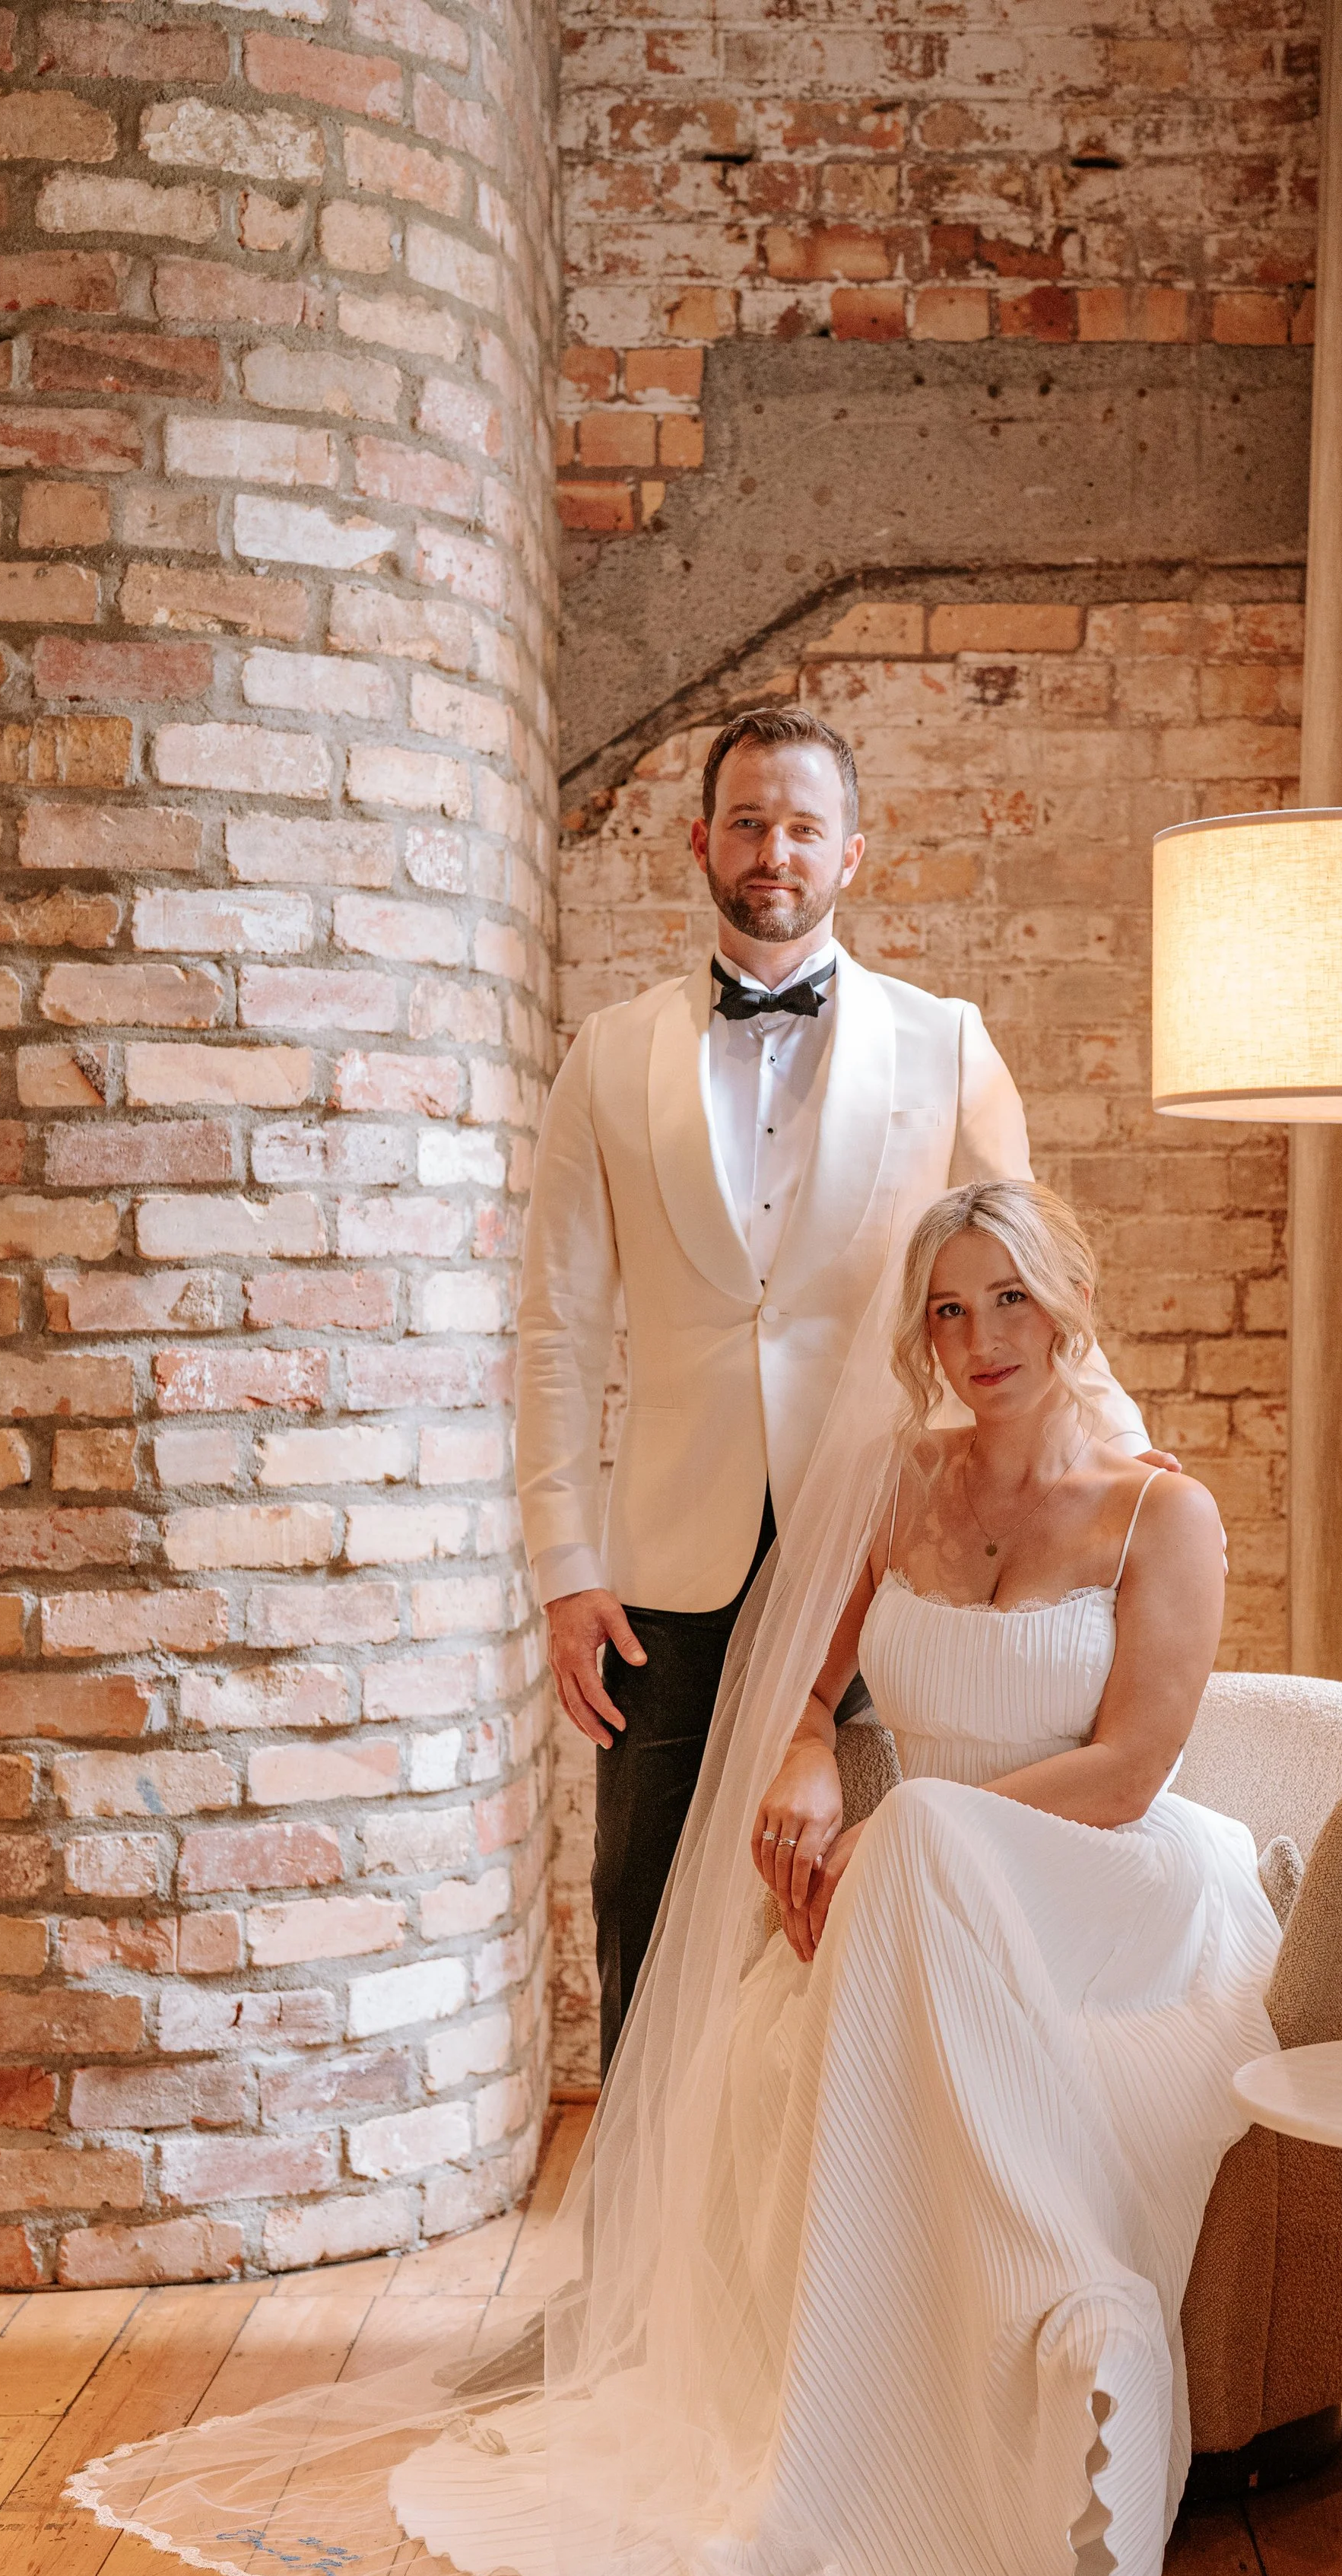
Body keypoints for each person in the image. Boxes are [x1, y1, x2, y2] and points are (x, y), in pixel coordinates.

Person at [69, 1180, 1280, 2576]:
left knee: (917, 1855)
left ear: (1067, 1300)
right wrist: (802, 1761)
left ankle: (1068, 2321)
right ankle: (882, 2404)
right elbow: (809, 1689)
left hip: (1100, 1891)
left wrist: (906, 1832)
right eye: (948, 1311)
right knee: (827, 1955)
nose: (980, 1340)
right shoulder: (906, 1484)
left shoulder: (1160, 1511)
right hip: (922, 1898)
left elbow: (1131, 1767)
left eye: (1010, 1301)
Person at [516, 704, 1162, 2070]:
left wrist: (1129, 1465)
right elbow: (559, 1330)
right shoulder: (607, 1057)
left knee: (848, 1909)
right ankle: (643, 2268)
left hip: (892, 1547)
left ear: (851, 851)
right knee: (644, 1906)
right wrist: (566, 1565)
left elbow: (1032, 1280)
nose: (774, 850)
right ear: (700, 839)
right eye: (748, 820)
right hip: (663, 1575)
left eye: (804, 825)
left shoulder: (946, 1044)